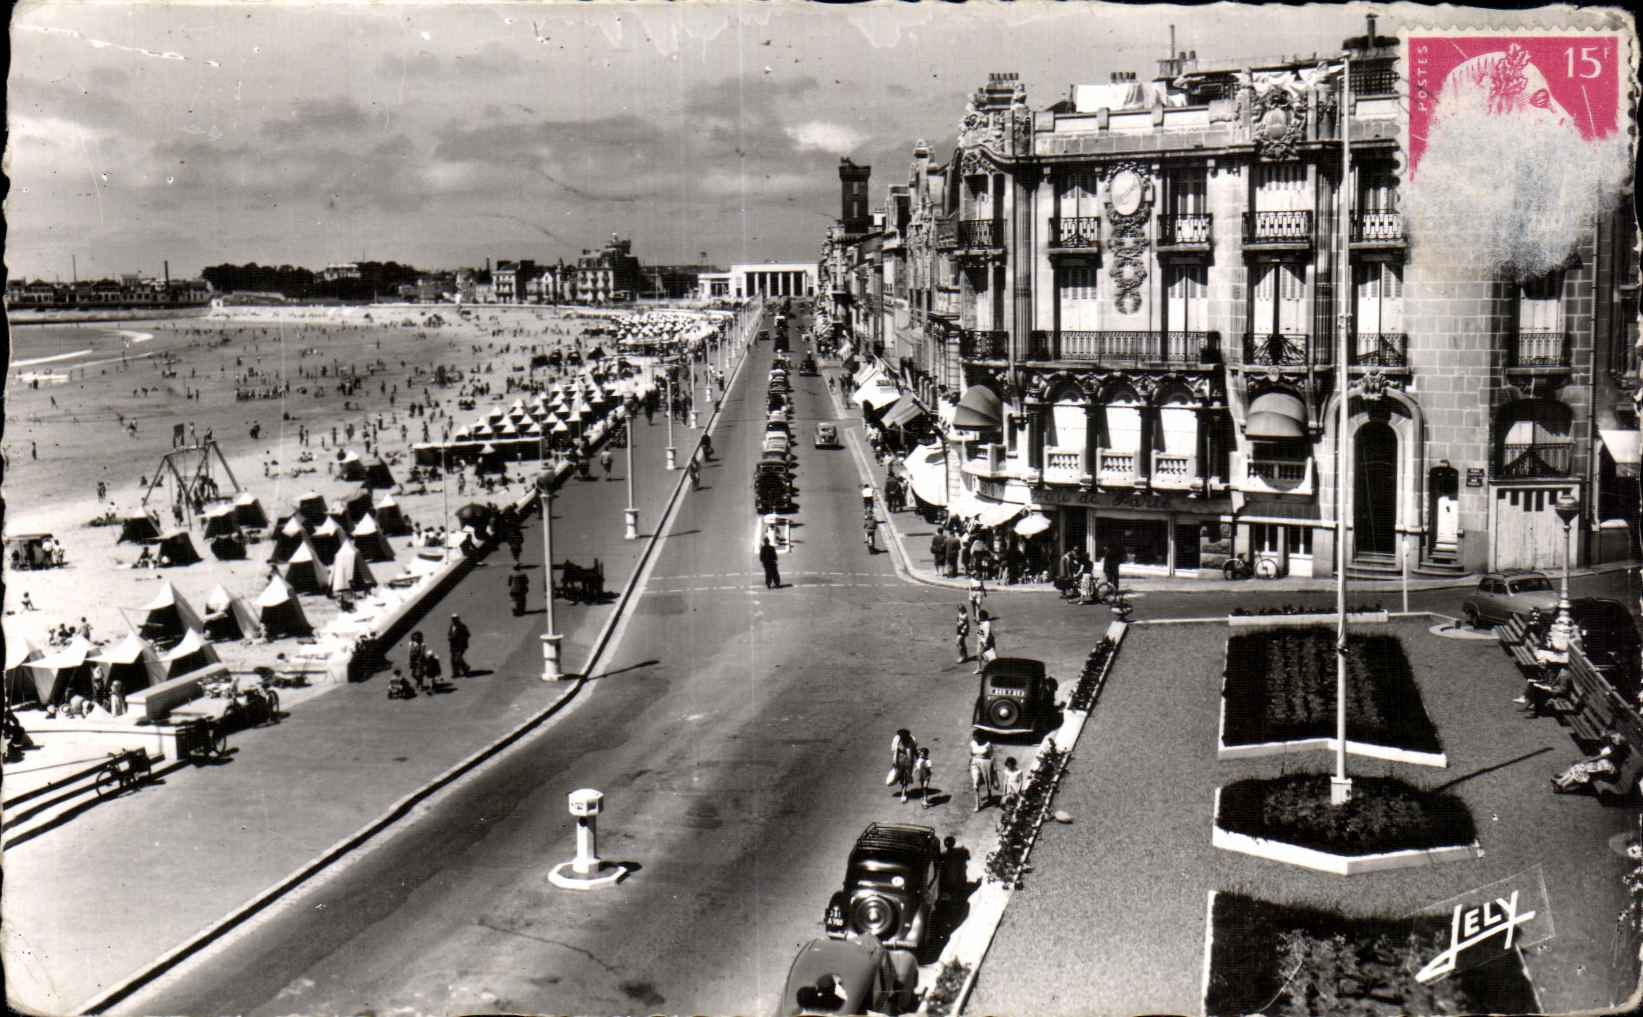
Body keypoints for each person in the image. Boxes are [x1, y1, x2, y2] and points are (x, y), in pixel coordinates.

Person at [969, 733, 997, 812]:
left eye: (977, 737)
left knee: (987, 781)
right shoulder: (972, 743)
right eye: (974, 737)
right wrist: (970, 763)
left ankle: (989, 794)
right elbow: (971, 754)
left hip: (986, 763)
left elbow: (992, 756)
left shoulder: (988, 744)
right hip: (974, 764)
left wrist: (994, 767)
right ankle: (977, 804)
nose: (976, 739)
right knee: (976, 782)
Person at [891, 728, 918, 804]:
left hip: (908, 762)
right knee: (897, 776)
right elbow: (893, 750)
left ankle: (903, 793)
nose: (902, 738)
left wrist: (918, 762)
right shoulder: (897, 739)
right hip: (898, 761)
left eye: (904, 736)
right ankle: (902, 789)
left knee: (905, 778)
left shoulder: (912, 740)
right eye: (901, 736)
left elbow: (916, 751)